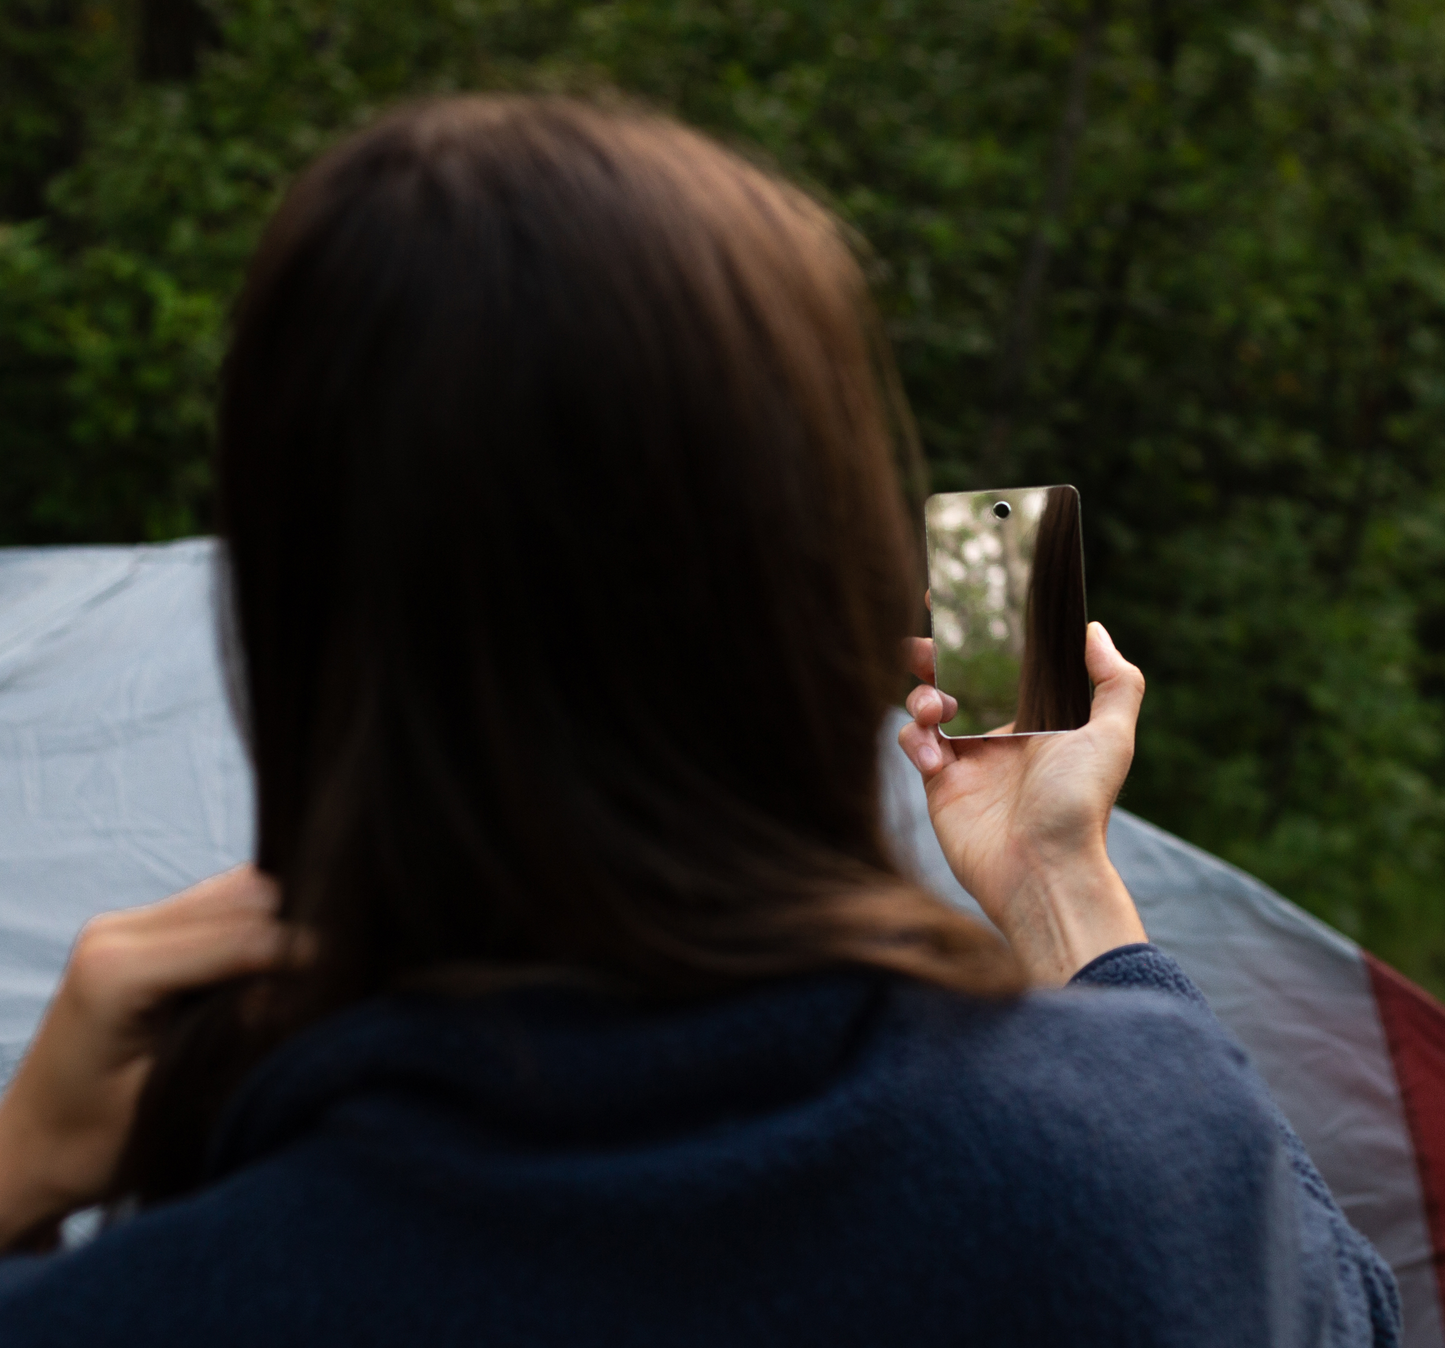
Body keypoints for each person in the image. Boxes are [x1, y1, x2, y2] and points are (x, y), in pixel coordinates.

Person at [0, 96, 1399, 1346]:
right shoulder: (1141, 1186)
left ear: (293, 619)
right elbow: (1345, 1318)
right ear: (816, 590)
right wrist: (1061, 885)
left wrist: (22, 1172)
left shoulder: (144, 1302)